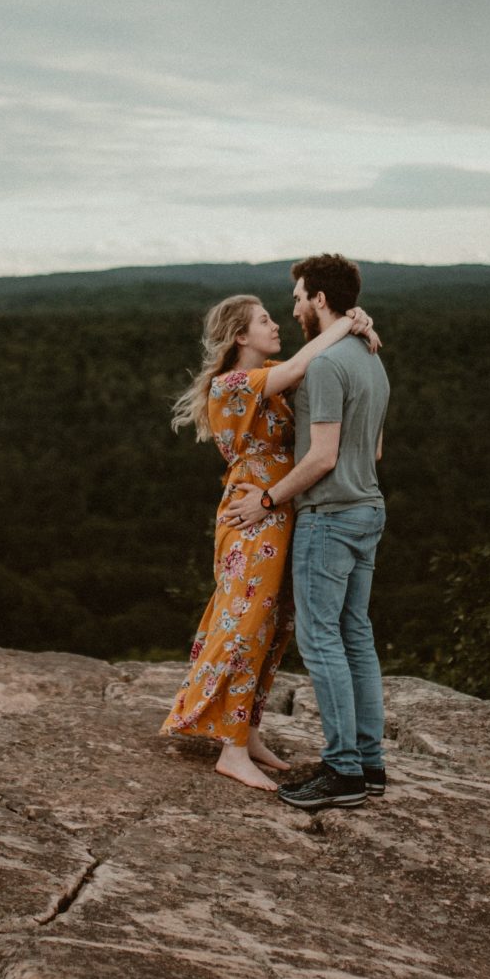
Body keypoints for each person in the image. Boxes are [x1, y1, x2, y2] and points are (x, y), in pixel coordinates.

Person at [161, 291, 379, 790]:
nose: (276, 324)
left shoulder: (274, 376)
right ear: (241, 335)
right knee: (245, 623)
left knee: (275, 626)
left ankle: (248, 731)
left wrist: (356, 322)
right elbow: (310, 358)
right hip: (253, 519)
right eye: (264, 320)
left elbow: (319, 366)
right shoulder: (233, 384)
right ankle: (231, 750)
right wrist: (349, 321)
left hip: (281, 511)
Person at [222, 254, 391, 813]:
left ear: (320, 299)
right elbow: (376, 450)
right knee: (357, 638)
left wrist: (267, 499)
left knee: (322, 642)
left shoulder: (324, 367)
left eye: (297, 297)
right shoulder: (372, 358)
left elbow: (321, 457)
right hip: (369, 508)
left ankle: (343, 771)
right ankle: (370, 765)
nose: (293, 307)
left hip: (329, 516)